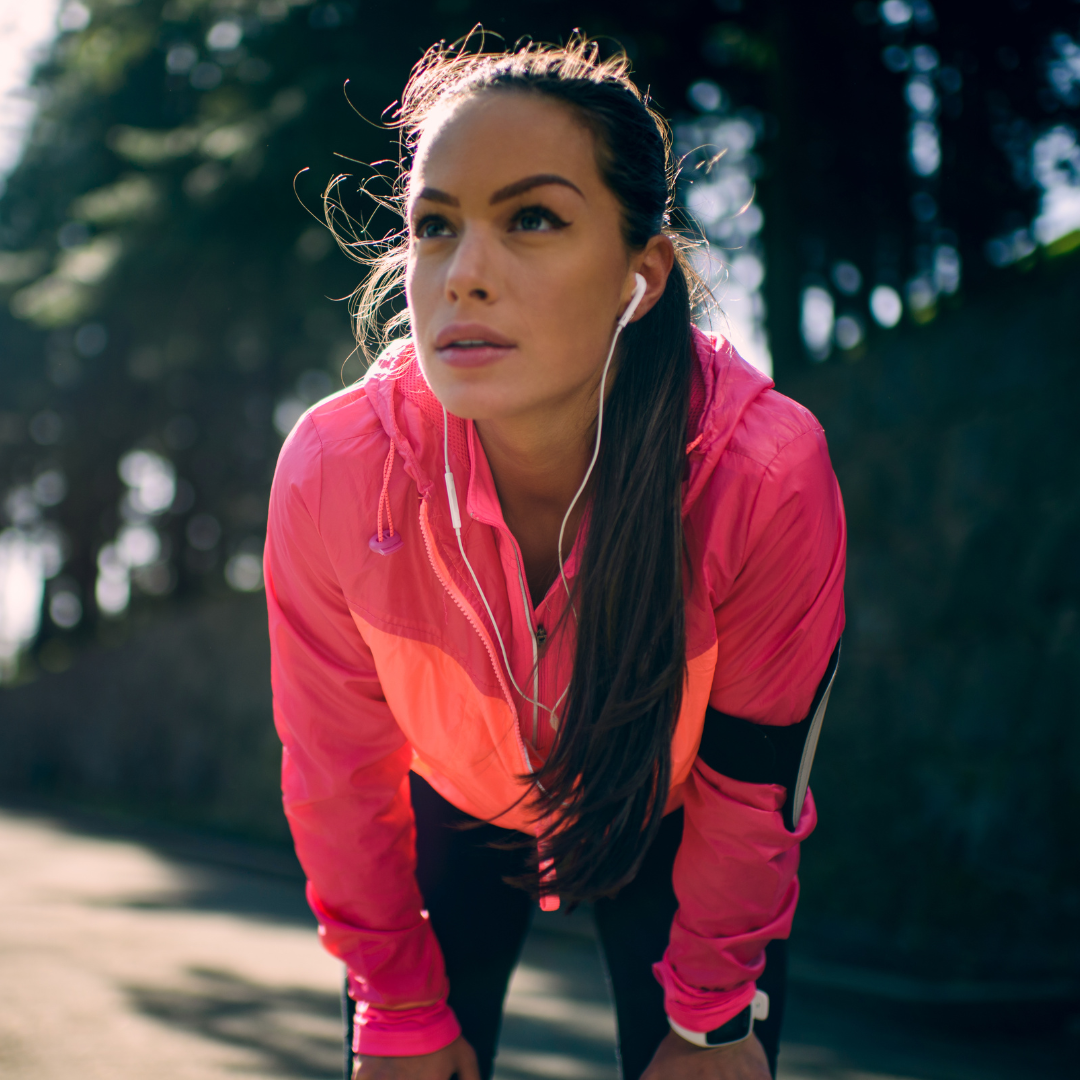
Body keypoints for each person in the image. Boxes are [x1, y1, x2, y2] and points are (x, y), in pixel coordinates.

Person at [265, 36, 845, 1080]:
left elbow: (755, 783)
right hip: (453, 808)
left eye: (532, 218)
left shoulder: (765, 474)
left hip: (668, 818)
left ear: (642, 273)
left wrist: (713, 1019)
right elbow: (337, 775)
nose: (466, 274)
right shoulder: (334, 470)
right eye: (435, 227)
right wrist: (396, 1006)